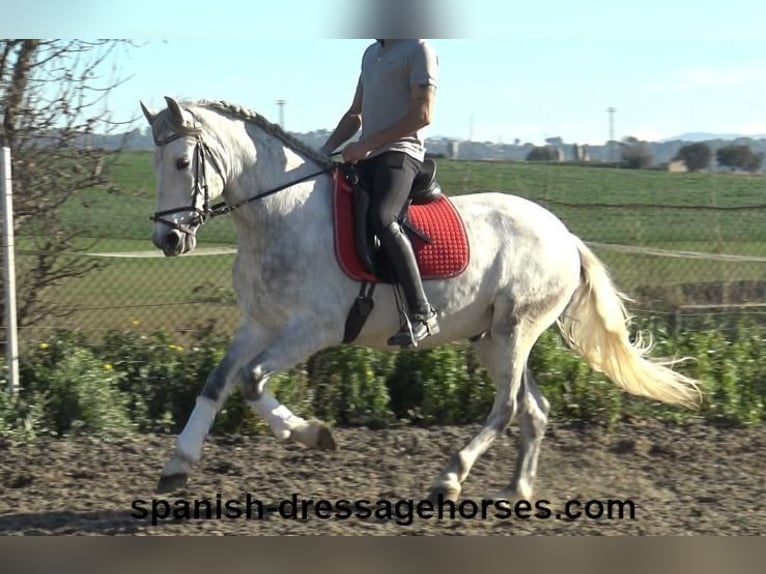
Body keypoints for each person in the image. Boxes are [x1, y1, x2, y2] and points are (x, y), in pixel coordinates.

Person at [320, 39, 440, 347]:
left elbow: (423, 114)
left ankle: (422, 313)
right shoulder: (371, 54)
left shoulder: (419, 50)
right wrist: (321, 152)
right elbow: (355, 115)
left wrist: (367, 144)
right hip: (368, 156)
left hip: (402, 154)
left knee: (383, 217)